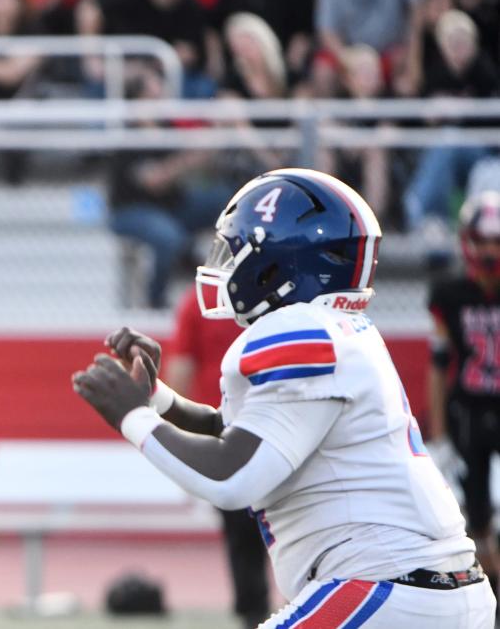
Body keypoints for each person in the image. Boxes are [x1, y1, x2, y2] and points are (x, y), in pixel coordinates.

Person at [72, 168, 497, 627]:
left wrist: (132, 418)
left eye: (235, 251)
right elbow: (240, 432)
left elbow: (231, 477)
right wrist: (155, 397)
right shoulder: (339, 329)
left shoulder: (299, 331)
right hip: (428, 588)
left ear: (274, 265)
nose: (227, 265)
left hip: (387, 585)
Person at [164, 287, 270, 628]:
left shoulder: (198, 300)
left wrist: (179, 443)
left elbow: (181, 369)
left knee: (241, 535)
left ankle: (253, 615)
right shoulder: (286, 298)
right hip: (280, 425)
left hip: (225, 433)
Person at [427, 190, 500, 605]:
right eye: (483, 240)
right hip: (469, 411)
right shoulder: (450, 294)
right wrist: (437, 434)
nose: (490, 251)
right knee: (475, 518)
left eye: (497, 241)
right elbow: (438, 364)